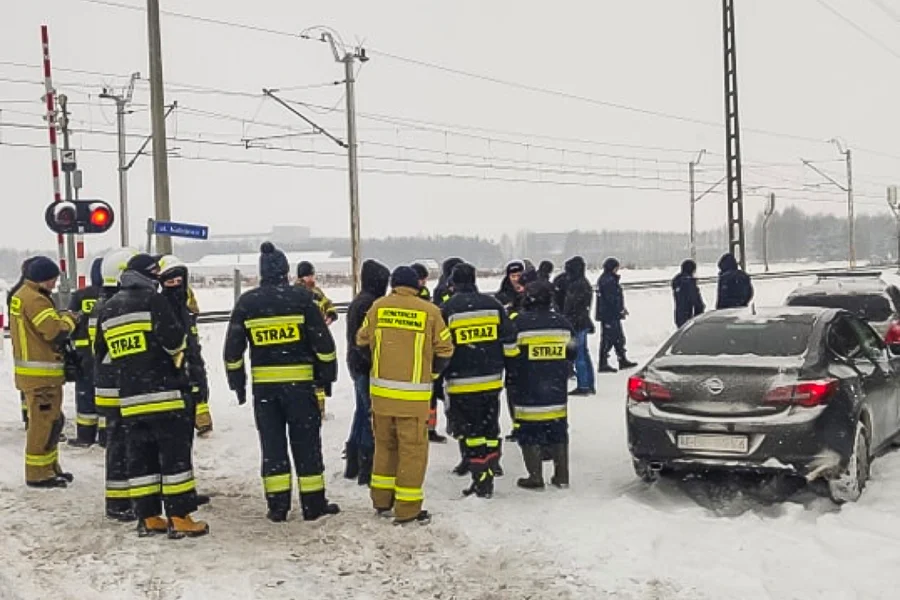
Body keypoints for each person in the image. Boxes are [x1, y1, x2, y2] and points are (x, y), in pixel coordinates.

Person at [224, 243, 339, 523]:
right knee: (306, 444)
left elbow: (232, 352)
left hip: (265, 393)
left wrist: (237, 383)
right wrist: (327, 376)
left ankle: (277, 506)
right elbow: (324, 344)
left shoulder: (248, 303)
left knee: (273, 446)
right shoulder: (301, 299)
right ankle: (313, 504)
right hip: (300, 389)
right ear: (286, 271)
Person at [95, 254, 208, 538]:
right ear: (148, 275)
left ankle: (149, 517)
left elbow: (102, 354)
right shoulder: (153, 300)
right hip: (165, 394)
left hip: (131, 401)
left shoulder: (109, 309)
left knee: (141, 459)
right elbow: (173, 340)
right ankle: (180, 517)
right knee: (174, 459)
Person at [356, 266, 454, 525]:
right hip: (413, 400)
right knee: (412, 453)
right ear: (417, 286)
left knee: (384, 448)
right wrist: (429, 372)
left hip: (381, 397)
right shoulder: (430, 312)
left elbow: (362, 341)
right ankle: (407, 509)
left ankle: (381, 500)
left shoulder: (378, 307)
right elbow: (445, 349)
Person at [441, 262, 517, 497]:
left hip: (461, 383)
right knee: (490, 427)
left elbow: (440, 346)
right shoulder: (493, 305)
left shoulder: (448, 309)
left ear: (453, 282)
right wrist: (503, 363)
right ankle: (492, 466)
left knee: (472, 433)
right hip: (492, 381)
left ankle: (480, 478)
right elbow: (511, 342)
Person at [9, 256, 76, 488]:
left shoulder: (21, 295)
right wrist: (70, 319)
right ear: (42, 278)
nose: (54, 284)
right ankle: (38, 473)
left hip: (34, 374)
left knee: (51, 421)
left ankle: (49, 467)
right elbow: (54, 332)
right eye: (52, 279)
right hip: (41, 376)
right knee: (43, 424)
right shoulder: (36, 300)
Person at [507, 280, 576, 490]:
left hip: (527, 389)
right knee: (558, 432)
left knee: (529, 433)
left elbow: (509, 354)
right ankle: (562, 475)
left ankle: (535, 476)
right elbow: (572, 352)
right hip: (556, 390)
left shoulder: (519, 323)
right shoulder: (563, 323)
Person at [92, 247, 138, 521]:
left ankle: (120, 499)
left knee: (118, 441)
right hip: (118, 385)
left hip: (107, 384)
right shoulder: (116, 306)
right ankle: (119, 503)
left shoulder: (103, 304)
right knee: (121, 443)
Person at [343, 259, 391, 486]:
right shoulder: (369, 304)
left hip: (356, 364)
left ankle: (353, 461)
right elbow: (364, 340)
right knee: (370, 417)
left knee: (362, 412)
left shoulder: (360, 301)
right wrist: (373, 362)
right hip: (365, 366)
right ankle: (365, 465)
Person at [157, 256, 212, 436]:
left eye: (178, 281)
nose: (175, 285)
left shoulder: (186, 296)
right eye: (170, 281)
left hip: (191, 345)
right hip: (174, 349)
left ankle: (203, 418)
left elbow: (194, 312)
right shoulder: (160, 302)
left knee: (198, 378)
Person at [67, 257, 103, 447]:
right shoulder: (114, 295)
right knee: (108, 393)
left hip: (83, 353)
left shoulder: (80, 295)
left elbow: (70, 322)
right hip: (106, 353)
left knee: (85, 392)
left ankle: (85, 435)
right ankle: (106, 435)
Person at [296, 260, 337, 416]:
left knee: (316, 377)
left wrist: (331, 313)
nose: (312, 279)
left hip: (314, 340)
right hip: (306, 341)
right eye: (310, 276)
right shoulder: (301, 293)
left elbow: (327, 304)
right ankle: (313, 409)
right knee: (312, 377)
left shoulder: (317, 292)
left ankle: (318, 409)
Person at [8, 257, 39, 428]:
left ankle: (27, 416)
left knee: (26, 386)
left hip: (19, 343)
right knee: (36, 387)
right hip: (33, 345)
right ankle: (33, 418)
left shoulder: (15, 293)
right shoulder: (32, 296)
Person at [596, 258, 638, 373]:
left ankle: (621, 359)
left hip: (609, 314)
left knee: (617, 338)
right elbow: (612, 299)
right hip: (610, 315)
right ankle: (605, 362)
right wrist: (619, 309)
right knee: (609, 339)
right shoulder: (609, 281)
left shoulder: (606, 279)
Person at [562, 256, 595, 395]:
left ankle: (583, 385)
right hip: (583, 322)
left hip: (576, 324)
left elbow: (571, 306)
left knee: (578, 355)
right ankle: (589, 383)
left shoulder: (576, 285)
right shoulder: (584, 283)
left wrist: (565, 318)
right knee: (584, 354)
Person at [672, 259, 705, 327]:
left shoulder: (678, 282)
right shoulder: (688, 283)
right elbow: (697, 303)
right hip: (689, 317)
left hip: (679, 316)